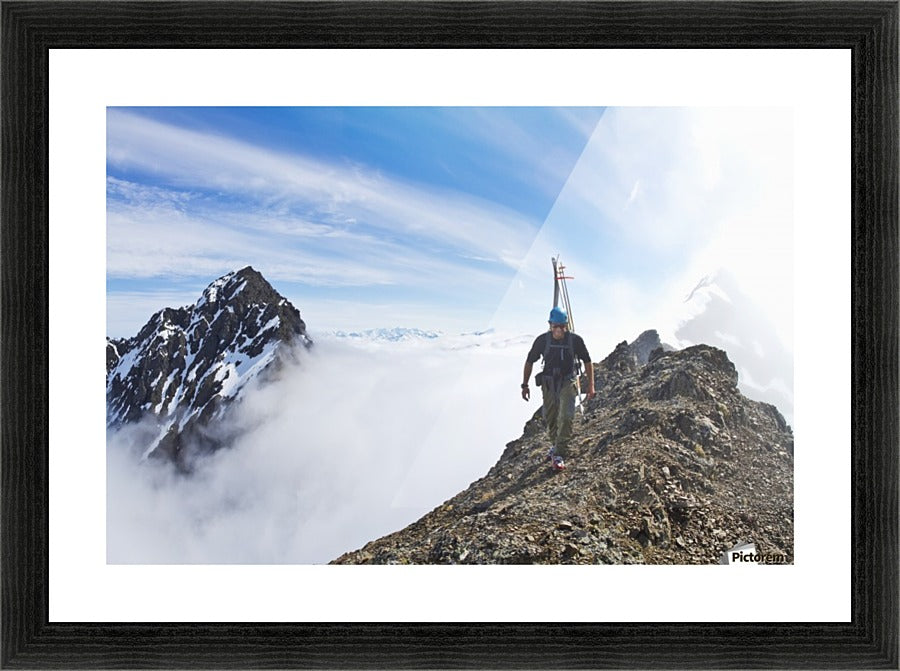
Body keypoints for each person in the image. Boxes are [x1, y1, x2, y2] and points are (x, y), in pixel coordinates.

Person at [521, 307, 595, 470]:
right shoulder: (542, 341)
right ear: (550, 325)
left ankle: (560, 452)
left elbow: (588, 361)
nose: (559, 330)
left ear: (566, 325)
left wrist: (590, 386)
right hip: (548, 383)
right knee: (550, 417)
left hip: (568, 382)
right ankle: (555, 446)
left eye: (562, 326)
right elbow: (529, 361)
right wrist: (525, 385)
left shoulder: (575, 340)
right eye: (555, 326)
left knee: (567, 416)